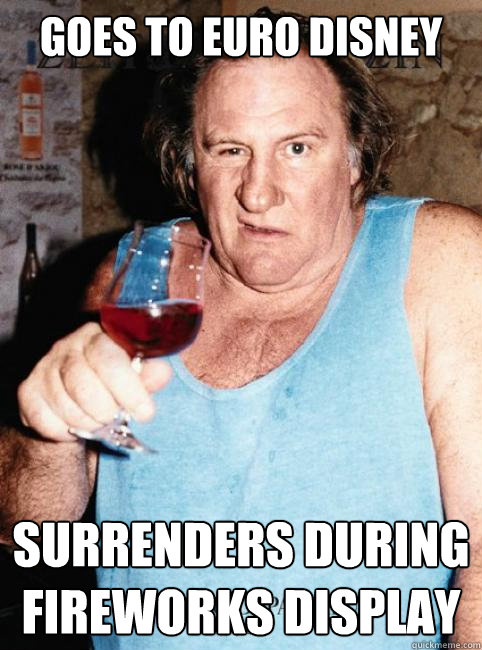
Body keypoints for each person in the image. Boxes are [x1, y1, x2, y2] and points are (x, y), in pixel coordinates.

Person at [1, 8, 480, 649]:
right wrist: (49, 432)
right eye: (229, 150)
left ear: (355, 159)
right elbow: (28, 529)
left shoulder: (440, 260)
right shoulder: (136, 276)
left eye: (297, 148)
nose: (258, 192)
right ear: (188, 166)